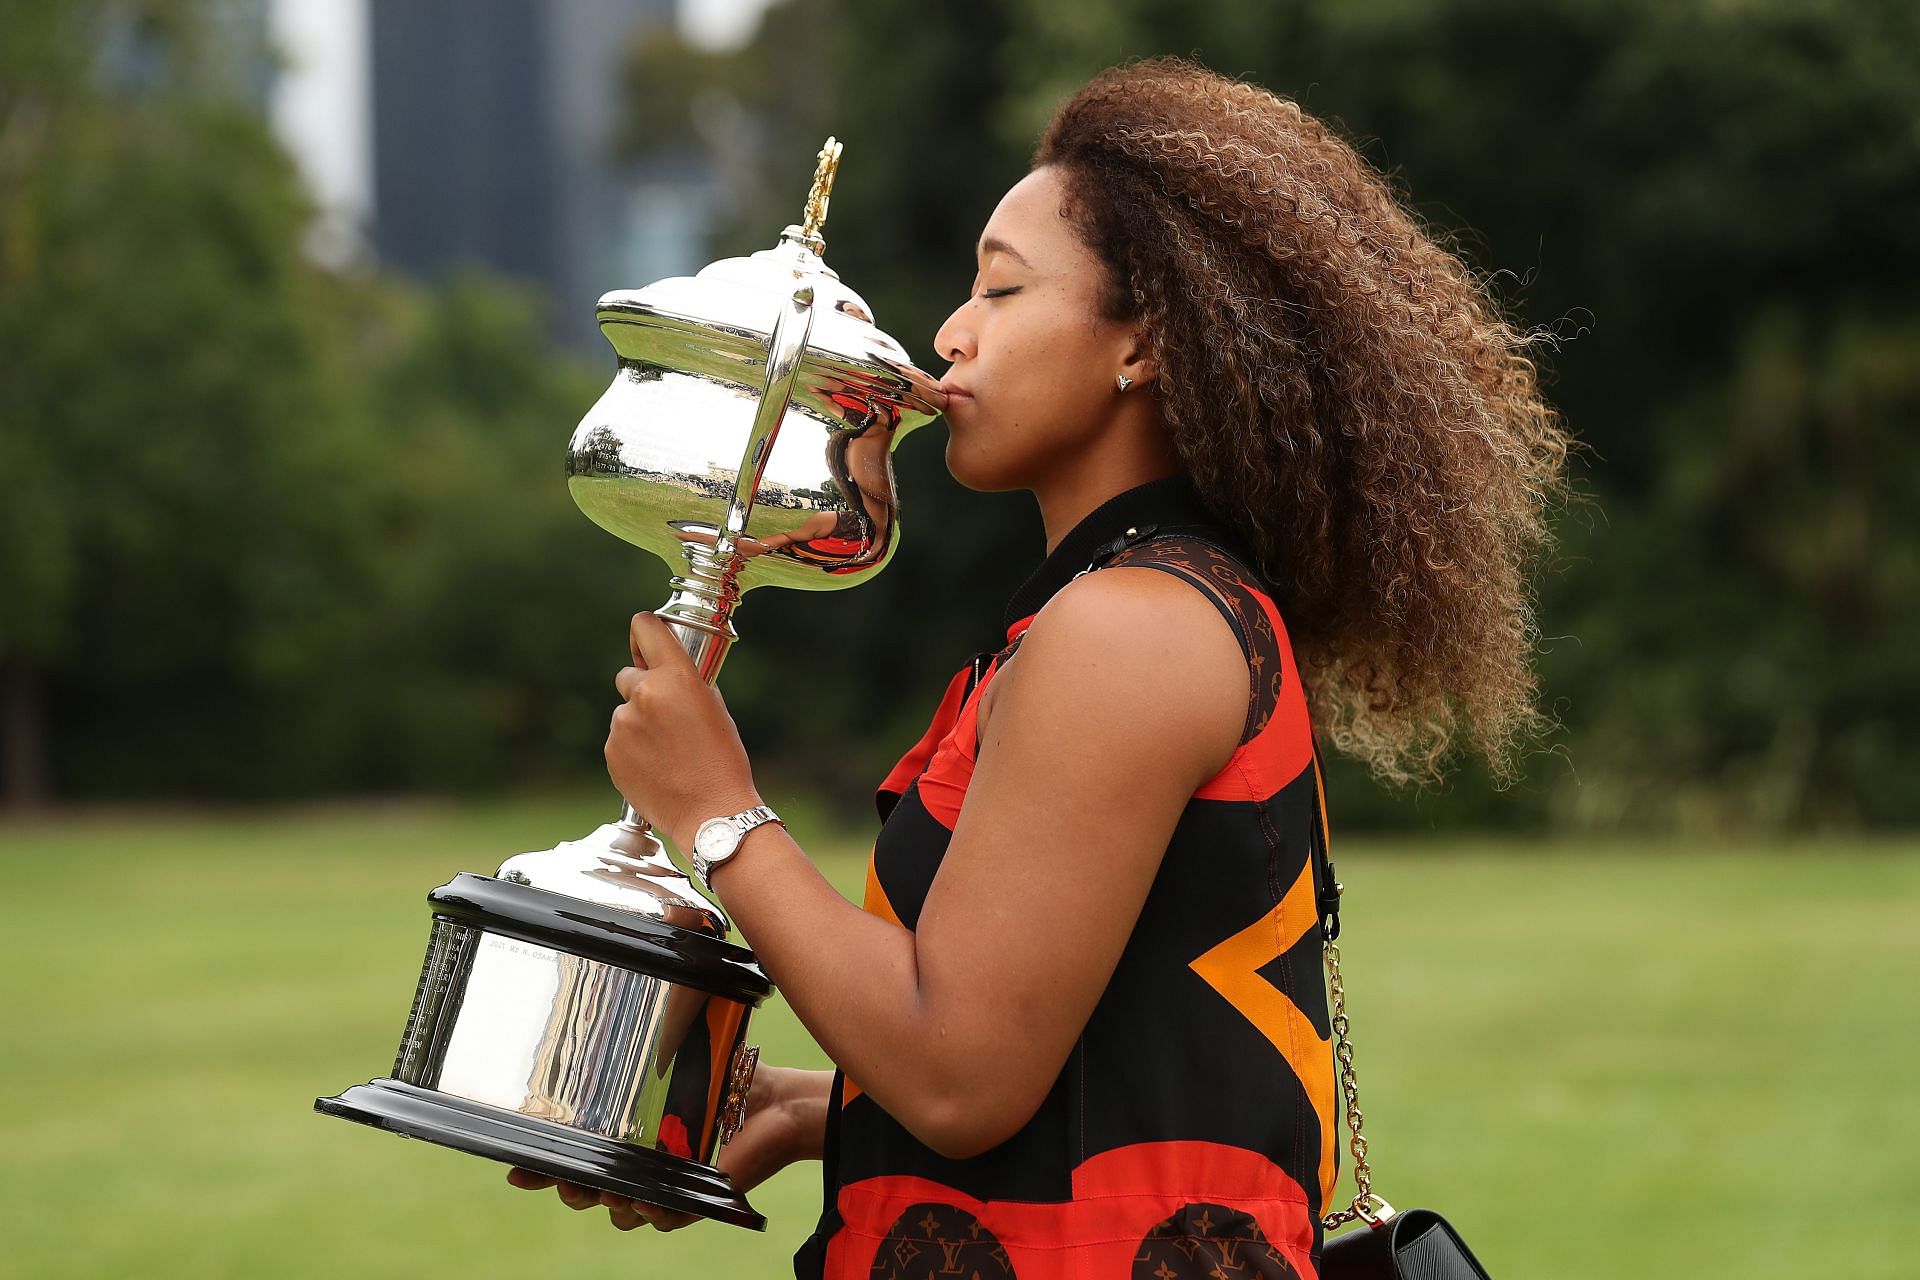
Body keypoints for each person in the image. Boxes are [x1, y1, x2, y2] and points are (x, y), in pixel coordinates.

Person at [509, 56, 1569, 1279]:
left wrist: (716, 812)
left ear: (1148, 343)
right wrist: (820, 1106)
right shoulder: (1135, 607)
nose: (950, 334)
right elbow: (1082, 1041)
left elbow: (961, 1072)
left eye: (1001, 292)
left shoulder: (1130, 627)